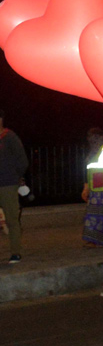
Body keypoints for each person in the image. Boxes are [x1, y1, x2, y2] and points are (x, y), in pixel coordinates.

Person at [0, 110, 29, 264]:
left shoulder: (10, 137)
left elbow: (22, 161)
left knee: (12, 219)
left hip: (8, 184)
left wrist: (15, 176)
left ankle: (15, 252)